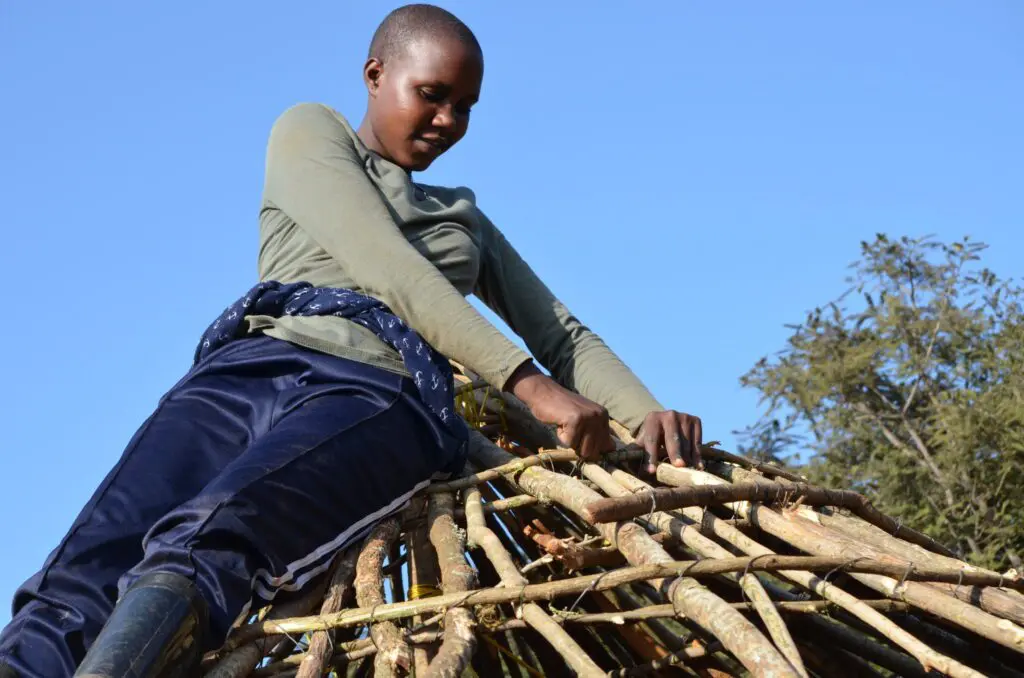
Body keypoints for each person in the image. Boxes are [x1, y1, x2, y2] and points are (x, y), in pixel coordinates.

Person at [0, 4, 703, 676]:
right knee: (84, 568)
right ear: (375, 75)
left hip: (378, 394)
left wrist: (646, 414)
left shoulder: (464, 221)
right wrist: (530, 385)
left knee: (214, 537)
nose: (447, 119)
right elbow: (391, 271)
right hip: (245, 370)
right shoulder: (310, 131)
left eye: (465, 106)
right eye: (432, 94)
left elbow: (559, 328)